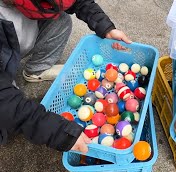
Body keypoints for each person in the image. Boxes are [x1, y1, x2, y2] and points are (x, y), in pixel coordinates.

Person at [0, 0, 131, 154]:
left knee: (61, 21)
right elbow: (7, 104)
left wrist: (106, 28)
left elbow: (79, 2)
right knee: (6, 117)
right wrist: (57, 131)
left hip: (16, 34)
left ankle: (36, 70)